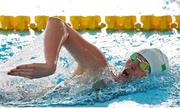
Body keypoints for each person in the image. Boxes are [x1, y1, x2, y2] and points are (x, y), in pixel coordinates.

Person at [7, 17, 170, 90]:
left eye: (142, 64)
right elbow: (57, 24)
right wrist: (51, 65)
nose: (132, 64)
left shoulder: (114, 89)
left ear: (150, 77)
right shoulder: (100, 69)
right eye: (134, 57)